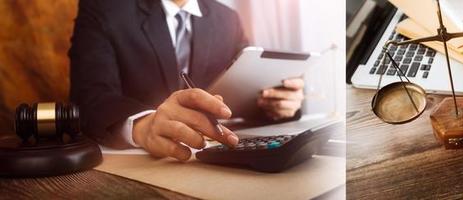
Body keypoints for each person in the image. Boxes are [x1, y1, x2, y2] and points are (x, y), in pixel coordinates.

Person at [69, 0, 304, 161]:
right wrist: (144, 126)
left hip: (216, 155)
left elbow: (247, 85)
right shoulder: (103, 8)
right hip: (143, 163)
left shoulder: (228, 19)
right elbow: (90, 97)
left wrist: (278, 102)